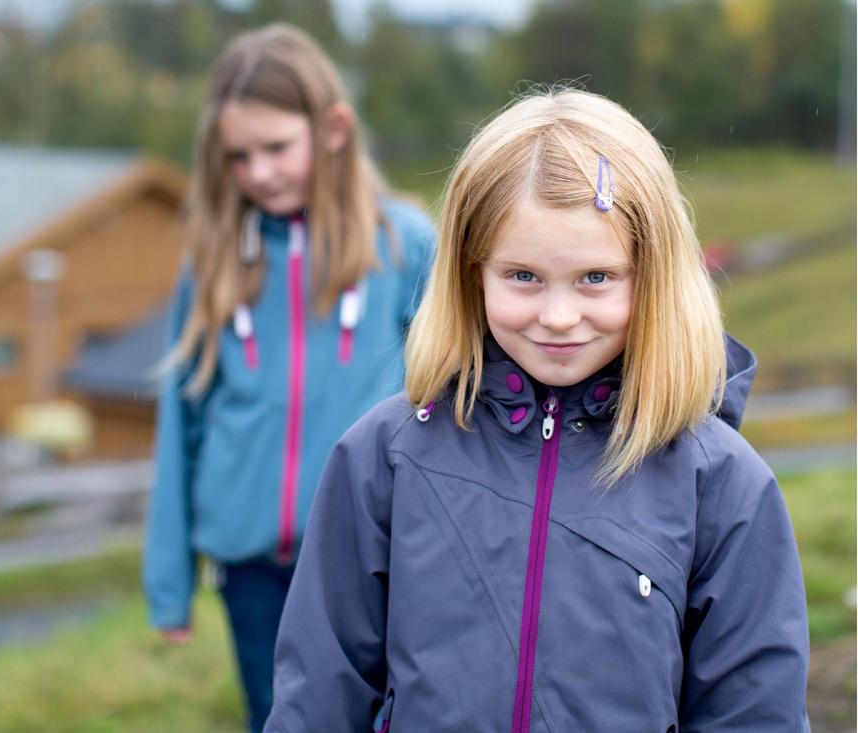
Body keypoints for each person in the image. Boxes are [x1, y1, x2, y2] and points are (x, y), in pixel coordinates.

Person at [264, 88, 810, 732]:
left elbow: (753, 713)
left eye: (596, 278)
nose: (557, 316)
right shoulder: (383, 458)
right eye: (522, 276)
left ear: (653, 275)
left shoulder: (722, 482)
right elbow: (318, 698)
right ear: (472, 272)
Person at [143, 23, 435, 733]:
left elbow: (448, 399)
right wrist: (169, 582)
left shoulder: (404, 245)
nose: (259, 172)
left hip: (372, 564)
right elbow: (181, 426)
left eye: (276, 148)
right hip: (253, 576)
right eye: (239, 156)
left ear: (333, 128)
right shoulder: (211, 267)